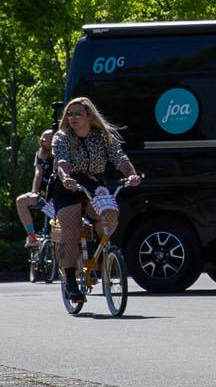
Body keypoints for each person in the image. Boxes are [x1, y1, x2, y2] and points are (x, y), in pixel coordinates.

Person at [51, 99, 144, 303]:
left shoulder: (103, 137)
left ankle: (102, 252)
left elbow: (120, 158)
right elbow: (61, 161)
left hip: (94, 185)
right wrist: (66, 178)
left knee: (110, 218)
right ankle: (71, 282)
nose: (73, 118)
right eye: (69, 114)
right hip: (68, 187)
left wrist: (132, 175)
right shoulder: (62, 137)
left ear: (89, 117)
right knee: (71, 227)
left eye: (77, 114)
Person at [15, 126, 56, 250]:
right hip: (43, 194)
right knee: (20, 201)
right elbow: (38, 173)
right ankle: (31, 236)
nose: (42, 140)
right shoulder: (39, 154)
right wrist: (34, 193)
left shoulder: (60, 154)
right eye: (41, 138)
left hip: (57, 194)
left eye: (45, 138)